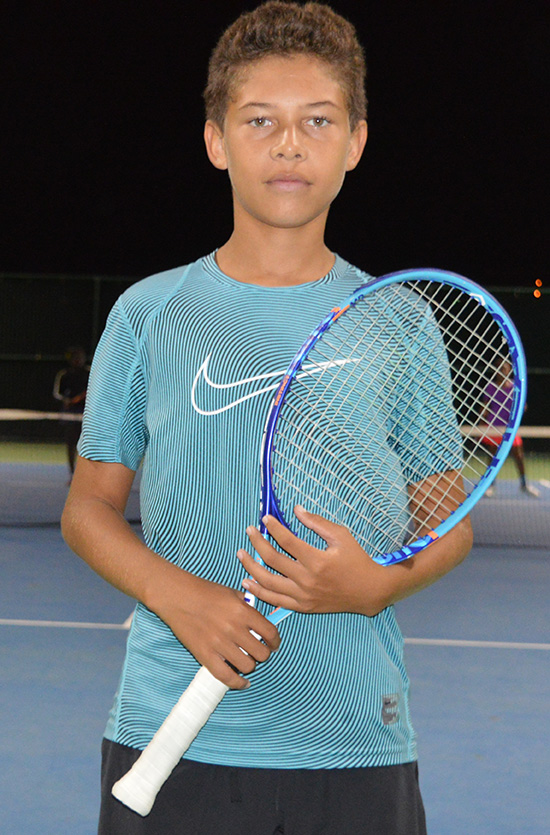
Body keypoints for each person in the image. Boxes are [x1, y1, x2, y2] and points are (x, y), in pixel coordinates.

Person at [61, 3, 472, 833]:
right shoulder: (151, 313)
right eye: (261, 120)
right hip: (171, 731)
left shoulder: (399, 320)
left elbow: (446, 516)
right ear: (217, 140)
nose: (290, 143)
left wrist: (378, 584)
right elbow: (88, 507)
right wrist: (182, 597)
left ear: (355, 142)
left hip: (357, 741)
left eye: (318, 120)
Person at [482, 360, 539, 497]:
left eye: (505, 369)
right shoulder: (490, 387)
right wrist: (482, 421)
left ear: (509, 370)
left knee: (519, 456)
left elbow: (522, 406)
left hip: (510, 428)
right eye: (500, 368)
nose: (502, 371)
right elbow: (484, 407)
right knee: (492, 457)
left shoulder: (515, 388)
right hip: (494, 427)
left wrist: (518, 412)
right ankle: (490, 485)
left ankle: (524, 484)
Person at [52, 346, 89, 477]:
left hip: (87, 414)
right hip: (69, 414)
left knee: (87, 445)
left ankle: (84, 475)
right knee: (70, 443)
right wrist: (67, 401)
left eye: (80, 357)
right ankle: (72, 474)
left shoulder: (90, 373)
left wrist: (81, 397)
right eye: (75, 358)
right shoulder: (64, 374)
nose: (78, 360)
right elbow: (57, 394)